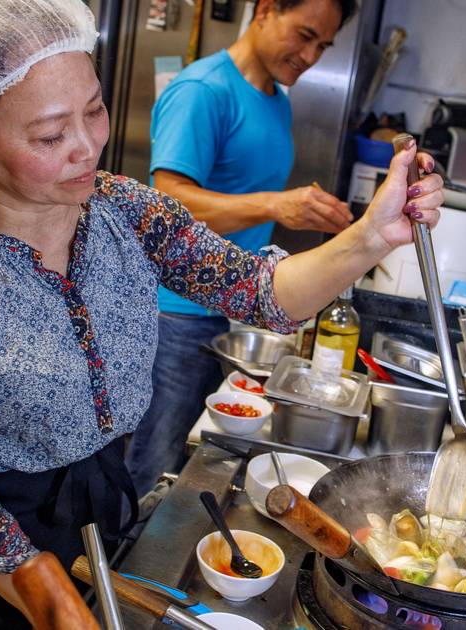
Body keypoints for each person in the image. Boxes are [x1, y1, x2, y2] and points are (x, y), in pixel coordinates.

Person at [0, 0, 442, 627]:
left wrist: (372, 237)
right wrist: (42, 588)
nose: (87, 147)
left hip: (94, 512)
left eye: (94, 110)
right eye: (51, 134)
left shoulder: (125, 213)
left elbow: (260, 290)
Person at [127, 0, 357, 496]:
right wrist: (275, 206)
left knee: (189, 461)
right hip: (177, 317)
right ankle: (111, 568)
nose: (310, 56)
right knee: (154, 462)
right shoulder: (202, 91)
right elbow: (167, 203)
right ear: (266, 10)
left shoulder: (274, 96)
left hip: (228, 312)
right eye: (304, 35)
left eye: (323, 46)